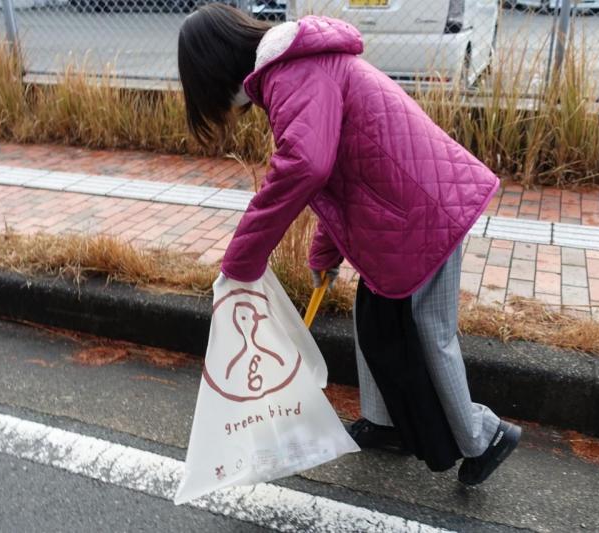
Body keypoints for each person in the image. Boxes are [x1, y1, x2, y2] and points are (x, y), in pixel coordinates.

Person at [178, 4, 521, 486]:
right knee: (374, 315)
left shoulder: (291, 73)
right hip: (406, 209)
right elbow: (341, 174)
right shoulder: (295, 68)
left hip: (429, 211)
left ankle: (484, 437)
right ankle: (385, 424)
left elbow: (307, 164)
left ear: (216, 68)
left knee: (429, 330)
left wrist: (242, 260)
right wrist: (324, 255)